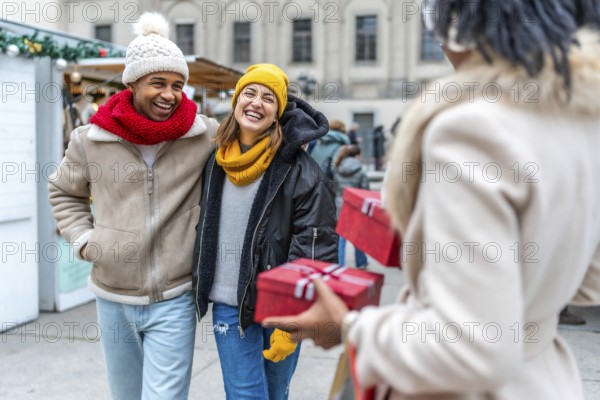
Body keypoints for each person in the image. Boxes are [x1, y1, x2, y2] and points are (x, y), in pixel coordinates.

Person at [264, 1, 600, 399]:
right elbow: (587, 285)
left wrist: (350, 327)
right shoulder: (580, 120)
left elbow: (470, 346)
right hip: (544, 379)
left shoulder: (473, 128)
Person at [48, 12, 217, 399]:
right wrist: (86, 240)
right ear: (133, 83)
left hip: (175, 295)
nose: (169, 94)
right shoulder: (90, 139)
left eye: (177, 84)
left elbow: (255, 133)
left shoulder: (202, 134)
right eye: (158, 82)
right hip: (112, 294)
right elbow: (63, 192)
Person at [191, 64, 338, 399]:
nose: (257, 102)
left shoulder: (303, 172)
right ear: (237, 100)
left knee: (276, 392)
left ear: (277, 113)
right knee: (245, 394)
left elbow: (315, 250)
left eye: (268, 98)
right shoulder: (216, 161)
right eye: (250, 93)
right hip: (229, 302)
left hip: (280, 308)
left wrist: (295, 320)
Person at [334, 144, 370, 269]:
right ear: (356, 155)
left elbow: (333, 188)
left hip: (339, 206)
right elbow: (365, 191)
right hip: (355, 206)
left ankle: (340, 264)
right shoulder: (360, 171)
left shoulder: (337, 167)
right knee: (358, 236)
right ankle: (361, 262)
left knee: (340, 237)